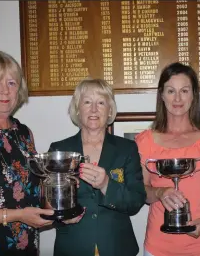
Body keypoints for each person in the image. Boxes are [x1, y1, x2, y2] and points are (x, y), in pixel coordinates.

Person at [0, 51, 55, 255]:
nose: (5, 91)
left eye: (12, 83)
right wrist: (16, 215)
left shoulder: (24, 133)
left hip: (27, 249)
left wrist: (59, 206)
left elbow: (34, 195)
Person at [48, 78, 146, 256]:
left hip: (117, 247)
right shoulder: (59, 150)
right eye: (87, 102)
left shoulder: (127, 149)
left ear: (109, 110)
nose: (94, 109)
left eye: (101, 102)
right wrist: (60, 217)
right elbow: (46, 204)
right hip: (73, 247)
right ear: (78, 108)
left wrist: (107, 185)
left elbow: (136, 201)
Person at [135, 62, 200, 256]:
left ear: (193, 95)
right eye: (170, 91)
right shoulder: (145, 141)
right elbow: (141, 191)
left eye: (184, 90)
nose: (177, 98)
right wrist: (160, 192)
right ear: (161, 95)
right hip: (159, 246)